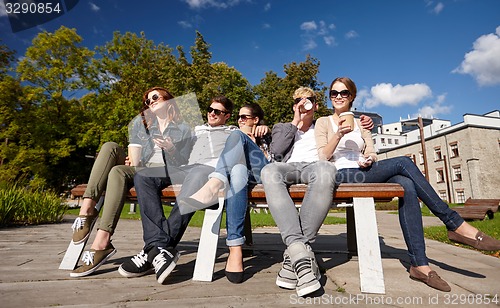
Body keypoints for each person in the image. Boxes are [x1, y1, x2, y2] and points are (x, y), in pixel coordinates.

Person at [314, 76, 500, 292]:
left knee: (406, 185)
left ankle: (419, 265)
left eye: (343, 92)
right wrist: (338, 134)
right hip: (341, 175)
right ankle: (454, 223)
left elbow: (372, 152)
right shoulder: (323, 122)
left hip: (363, 170)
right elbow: (322, 157)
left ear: (352, 96)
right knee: (403, 162)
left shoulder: (362, 123)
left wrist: (369, 160)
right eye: (334, 93)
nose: (338, 97)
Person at [260, 86, 373, 297]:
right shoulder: (282, 127)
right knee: (269, 170)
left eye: (309, 100)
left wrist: (365, 123)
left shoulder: (324, 125)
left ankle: (294, 256)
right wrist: (296, 120)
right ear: (294, 105)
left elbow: (348, 135)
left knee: (326, 168)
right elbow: (276, 152)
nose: (304, 104)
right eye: (299, 102)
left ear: (317, 105)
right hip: (288, 168)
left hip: (315, 167)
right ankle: (300, 251)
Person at [69, 87, 192, 278]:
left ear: (168, 101)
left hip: (164, 171)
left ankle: (101, 242)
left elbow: (183, 162)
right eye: (147, 101)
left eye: (155, 97)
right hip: (142, 169)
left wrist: (171, 148)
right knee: (109, 147)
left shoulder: (183, 128)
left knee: (118, 172)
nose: (150, 102)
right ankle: (86, 212)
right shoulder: (142, 126)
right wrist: (131, 160)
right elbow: (136, 156)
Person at [117, 96, 240, 284]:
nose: (211, 113)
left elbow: (246, 142)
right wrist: (171, 148)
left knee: (197, 173)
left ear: (227, 116)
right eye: (210, 109)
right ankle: (159, 248)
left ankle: (155, 248)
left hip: (209, 170)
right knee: (143, 176)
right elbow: (180, 157)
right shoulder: (195, 130)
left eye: (218, 111)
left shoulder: (233, 132)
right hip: (185, 168)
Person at [179, 102, 271, 283]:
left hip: (264, 172)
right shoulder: (233, 134)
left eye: (244, 117)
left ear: (256, 119)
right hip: (243, 173)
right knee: (237, 170)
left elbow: (275, 158)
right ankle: (235, 248)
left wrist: (259, 138)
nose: (240, 120)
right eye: (238, 117)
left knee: (238, 136)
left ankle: (214, 183)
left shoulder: (266, 133)